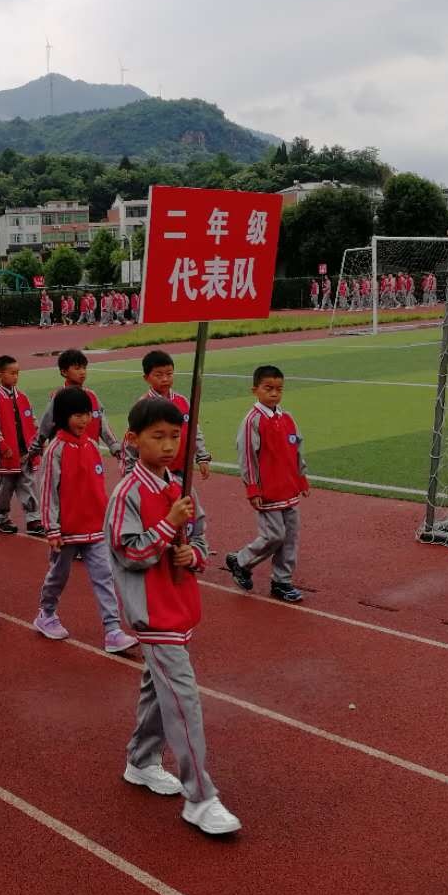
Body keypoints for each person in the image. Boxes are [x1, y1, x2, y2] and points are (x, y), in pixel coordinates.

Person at [109, 396, 239, 835]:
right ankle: (200, 798)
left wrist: (193, 555)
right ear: (133, 439)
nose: (168, 446)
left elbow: (200, 540)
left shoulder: (181, 488)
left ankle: (141, 760)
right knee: (184, 700)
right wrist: (167, 525)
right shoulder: (127, 493)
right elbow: (129, 553)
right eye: (157, 437)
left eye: (174, 437)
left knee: (156, 689)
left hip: (180, 604)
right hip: (152, 611)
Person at [33, 387, 138, 653]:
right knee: (59, 575)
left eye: (87, 414)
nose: (84, 420)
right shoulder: (55, 450)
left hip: (95, 528)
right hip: (66, 531)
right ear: (63, 416)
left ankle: (113, 629)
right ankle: (46, 613)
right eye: (77, 415)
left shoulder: (91, 446)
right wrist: (52, 528)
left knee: (105, 576)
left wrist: (107, 520)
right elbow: (47, 492)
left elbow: (97, 487)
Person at [223, 365, 310, 601]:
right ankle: (241, 561)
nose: (274, 393)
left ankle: (282, 581)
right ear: (255, 390)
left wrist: (301, 477)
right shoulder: (252, 421)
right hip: (268, 491)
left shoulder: (287, 418)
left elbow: (296, 449)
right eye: (268, 388)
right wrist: (253, 488)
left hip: (289, 489)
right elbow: (248, 456)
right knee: (274, 536)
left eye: (279, 389)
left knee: (290, 537)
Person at [125, 351, 212, 480]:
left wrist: (202, 457)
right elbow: (131, 442)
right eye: (158, 375)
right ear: (146, 378)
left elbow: (194, 430)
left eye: (169, 374)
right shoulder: (143, 406)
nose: (165, 379)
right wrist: (129, 472)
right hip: (154, 472)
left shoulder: (182, 402)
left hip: (181, 469)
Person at [28, 348, 123, 461]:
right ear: (64, 372)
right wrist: (34, 448)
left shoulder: (92, 396)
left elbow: (102, 423)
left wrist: (114, 445)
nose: (82, 372)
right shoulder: (59, 397)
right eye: (77, 368)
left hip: (90, 455)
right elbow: (46, 425)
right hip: (65, 457)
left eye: (84, 368)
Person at [0, 355, 43, 536]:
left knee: (29, 485)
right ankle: (1, 518)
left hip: (25, 452)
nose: (15, 377)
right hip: (6, 455)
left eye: (17, 373)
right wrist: (2, 445)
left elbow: (31, 420)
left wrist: (38, 440)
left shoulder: (23, 397)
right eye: (11, 373)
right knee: (4, 488)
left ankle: (33, 519)